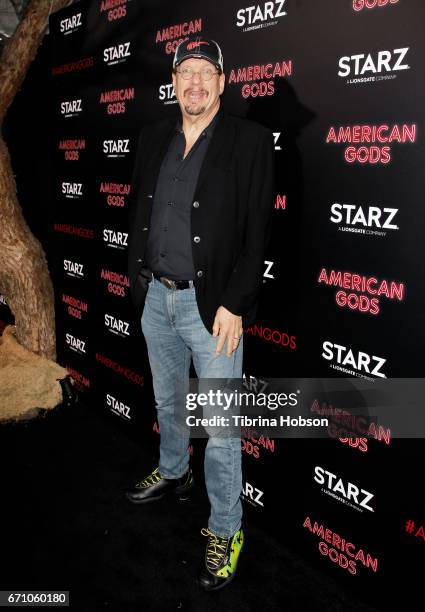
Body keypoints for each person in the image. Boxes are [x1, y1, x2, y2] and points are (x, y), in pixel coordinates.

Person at [126, 36, 275, 591]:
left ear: (222, 80)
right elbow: (140, 209)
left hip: (212, 308)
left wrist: (236, 303)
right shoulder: (151, 136)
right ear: (173, 81)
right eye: (185, 72)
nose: (194, 82)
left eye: (204, 73)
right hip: (154, 298)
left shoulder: (250, 141)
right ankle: (172, 471)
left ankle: (226, 527)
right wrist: (138, 278)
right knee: (167, 399)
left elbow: (258, 231)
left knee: (220, 427)